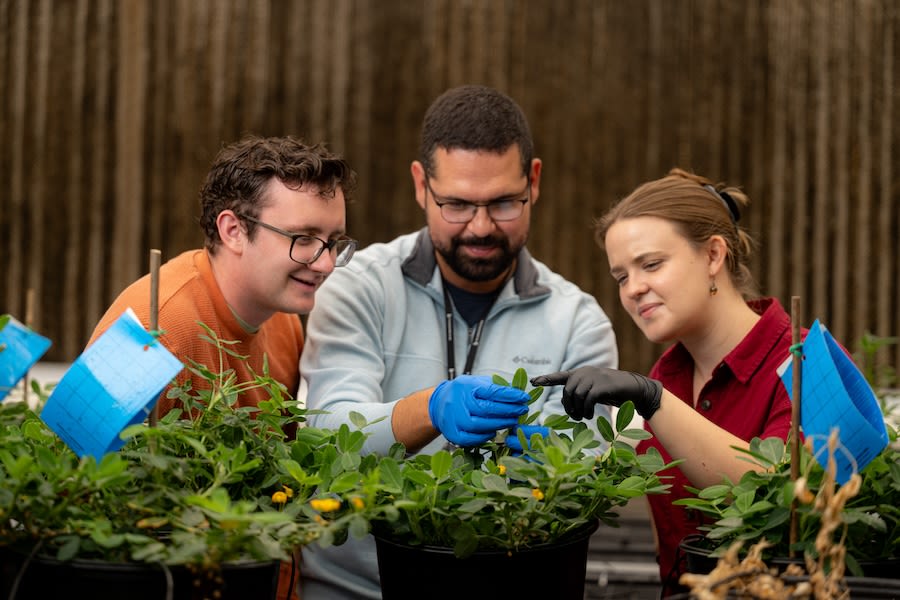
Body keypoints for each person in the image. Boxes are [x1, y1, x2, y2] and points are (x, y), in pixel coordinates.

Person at [298, 84, 618, 599]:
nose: (482, 227)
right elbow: (327, 434)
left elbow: (594, 474)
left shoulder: (578, 322)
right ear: (421, 186)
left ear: (533, 182)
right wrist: (431, 407)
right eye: (458, 205)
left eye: (504, 203)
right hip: (354, 588)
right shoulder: (359, 287)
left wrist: (559, 456)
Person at [88, 134, 358, 600]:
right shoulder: (155, 324)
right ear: (233, 230)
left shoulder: (284, 321)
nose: (327, 264)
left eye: (333, 242)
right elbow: (74, 477)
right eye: (304, 240)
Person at [532, 168, 799, 594]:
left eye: (651, 264)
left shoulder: (805, 363)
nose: (633, 289)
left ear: (713, 255)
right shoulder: (666, 376)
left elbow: (778, 498)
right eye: (621, 276)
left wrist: (653, 401)